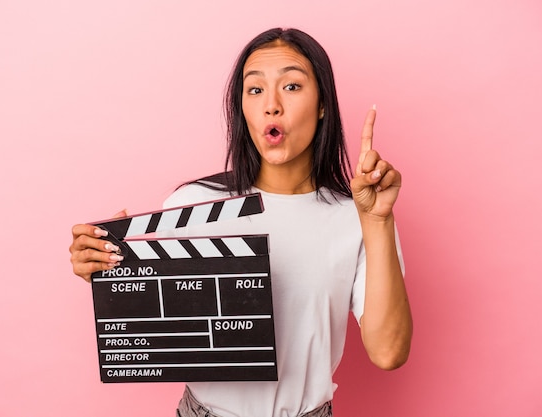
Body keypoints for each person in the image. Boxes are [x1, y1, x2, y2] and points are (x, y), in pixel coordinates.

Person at [69, 27, 412, 417]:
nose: (272, 105)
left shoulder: (358, 217)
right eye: (255, 90)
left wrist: (378, 221)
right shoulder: (193, 205)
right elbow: (142, 309)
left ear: (322, 105)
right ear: (242, 109)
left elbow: (389, 352)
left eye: (293, 86)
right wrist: (102, 265)